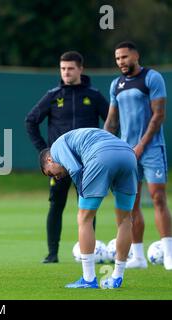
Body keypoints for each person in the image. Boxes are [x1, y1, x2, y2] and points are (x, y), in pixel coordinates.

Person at [25, 51, 109, 263]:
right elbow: (30, 121)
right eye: (63, 69)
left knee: (88, 206)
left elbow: (112, 121)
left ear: (81, 69)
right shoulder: (53, 95)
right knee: (56, 205)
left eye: (70, 68)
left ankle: (88, 252)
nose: (66, 73)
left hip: (88, 162)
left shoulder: (94, 95)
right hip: (60, 165)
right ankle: (52, 253)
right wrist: (44, 151)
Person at [40, 128, 137, 289]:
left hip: (101, 155)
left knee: (84, 218)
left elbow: (75, 169)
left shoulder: (56, 147)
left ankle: (88, 279)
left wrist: (83, 192)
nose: (56, 178)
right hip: (128, 155)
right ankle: (117, 277)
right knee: (126, 219)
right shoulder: (79, 137)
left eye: (51, 174)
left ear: (49, 160)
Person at [104, 41, 172, 270]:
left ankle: (169, 254)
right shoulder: (116, 85)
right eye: (117, 58)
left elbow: (158, 115)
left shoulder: (152, 78)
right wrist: (103, 147)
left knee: (158, 198)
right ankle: (139, 257)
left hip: (151, 148)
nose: (121, 62)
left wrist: (142, 144)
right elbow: (112, 121)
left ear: (135, 55)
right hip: (126, 151)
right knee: (130, 203)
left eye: (124, 57)